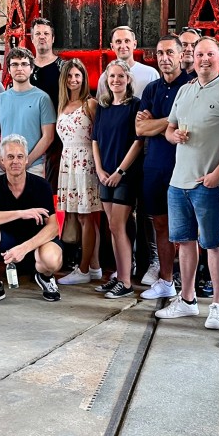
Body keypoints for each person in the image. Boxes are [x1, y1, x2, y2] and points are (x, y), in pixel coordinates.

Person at [155, 36, 219, 326]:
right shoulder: (184, 90)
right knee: (185, 242)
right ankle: (188, 299)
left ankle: (218, 305)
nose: (204, 59)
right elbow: (169, 130)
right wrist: (174, 135)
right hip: (178, 182)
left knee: (213, 243)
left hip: (208, 182)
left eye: (210, 54)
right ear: (192, 58)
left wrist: (218, 174)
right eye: (199, 54)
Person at [0, 134, 63, 307]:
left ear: (27, 160)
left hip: (36, 244)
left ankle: (44, 277)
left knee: (52, 259)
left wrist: (24, 248)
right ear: (2, 161)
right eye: (10, 157)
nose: (15, 161)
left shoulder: (41, 185)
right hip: (7, 243)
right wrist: (20, 213)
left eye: (20, 156)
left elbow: (53, 227)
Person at [135, 35, 191, 300]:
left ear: (181, 55)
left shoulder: (190, 86)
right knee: (160, 225)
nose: (164, 58)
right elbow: (140, 128)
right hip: (155, 166)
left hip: (184, 167)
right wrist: (170, 120)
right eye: (159, 53)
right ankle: (166, 281)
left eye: (170, 52)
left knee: (188, 230)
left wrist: (155, 122)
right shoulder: (152, 89)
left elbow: (187, 125)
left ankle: (190, 288)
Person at [92, 59, 143, 298]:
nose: (116, 80)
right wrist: (100, 170)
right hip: (105, 175)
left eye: (120, 76)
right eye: (112, 76)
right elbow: (95, 141)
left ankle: (126, 281)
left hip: (125, 175)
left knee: (118, 225)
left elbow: (138, 142)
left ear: (128, 79)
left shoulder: (136, 106)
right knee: (113, 228)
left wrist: (119, 172)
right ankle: (119, 276)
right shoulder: (102, 106)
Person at [56, 59, 103, 285]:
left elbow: (99, 137)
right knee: (81, 217)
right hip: (68, 162)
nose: (74, 80)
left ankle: (83, 270)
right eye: (70, 76)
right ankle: (94, 267)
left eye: (78, 75)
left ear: (84, 78)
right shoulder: (62, 105)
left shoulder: (90, 104)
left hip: (85, 162)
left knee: (87, 217)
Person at [0, 47, 56, 177]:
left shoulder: (42, 99)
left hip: (33, 167)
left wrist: (26, 161)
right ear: (8, 69)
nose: (19, 68)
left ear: (31, 69)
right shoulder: (0, 99)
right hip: (5, 167)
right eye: (14, 64)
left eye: (24, 64)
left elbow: (48, 136)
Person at [29, 17, 67, 188]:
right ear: (32, 38)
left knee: (54, 185)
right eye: (38, 33)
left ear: (52, 38)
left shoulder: (64, 68)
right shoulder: (24, 68)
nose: (42, 37)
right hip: (30, 132)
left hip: (58, 138)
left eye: (46, 33)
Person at [96, 26, 159, 99]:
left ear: (134, 44)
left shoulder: (151, 74)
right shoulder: (105, 77)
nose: (123, 46)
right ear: (112, 46)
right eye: (118, 42)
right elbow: (101, 105)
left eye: (127, 41)